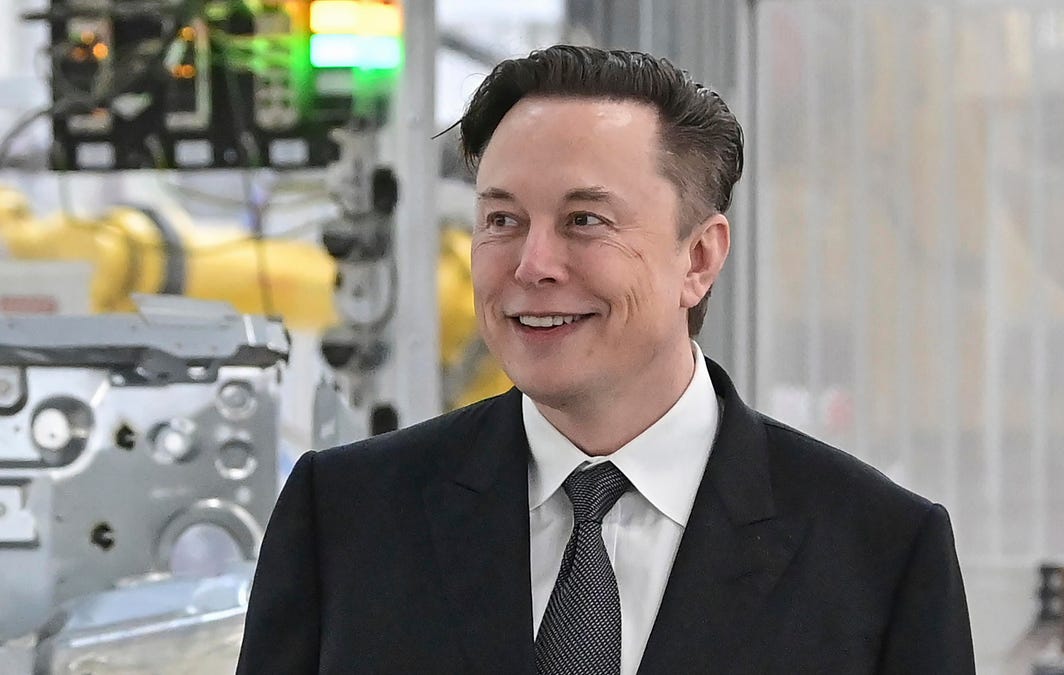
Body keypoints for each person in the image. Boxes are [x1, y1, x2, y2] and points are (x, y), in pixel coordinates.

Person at [237, 45, 975, 674]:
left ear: (699, 257)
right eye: (502, 219)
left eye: (584, 219)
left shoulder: (879, 553)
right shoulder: (346, 519)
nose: (531, 264)